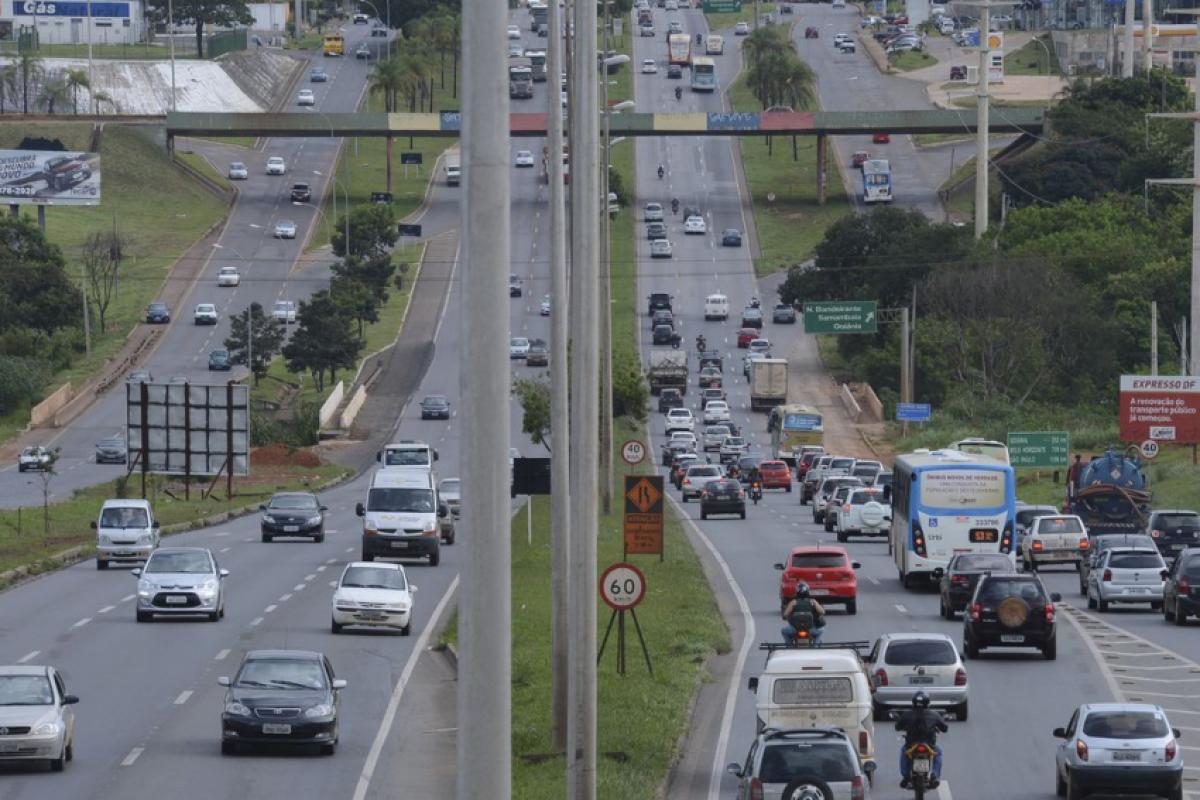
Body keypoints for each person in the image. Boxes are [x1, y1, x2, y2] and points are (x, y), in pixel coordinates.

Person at [895, 692, 948, 789]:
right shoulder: (934, 714)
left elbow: (897, 727)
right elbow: (945, 728)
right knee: (938, 752)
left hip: (911, 745)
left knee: (904, 751)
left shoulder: (907, 714)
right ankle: (934, 775)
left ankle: (906, 776)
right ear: (928, 703)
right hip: (929, 745)